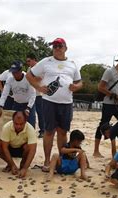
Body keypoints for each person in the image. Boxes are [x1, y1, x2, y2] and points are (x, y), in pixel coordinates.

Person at [26, 38, 83, 172]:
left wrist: (76, 86)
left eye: (59, 45)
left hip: (66, 103)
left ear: (65, 48)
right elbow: (29, 75)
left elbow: (80, 82)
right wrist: (39, 88)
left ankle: (62, 159)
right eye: (55, 46)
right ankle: (47, 160)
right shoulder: (46, 61)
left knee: (63, 132)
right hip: (49, 102)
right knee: (49, 131)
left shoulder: (72, 64)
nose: (57, 48)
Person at [93, 52, 118, 157]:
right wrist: (113, 95)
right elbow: (100, 87)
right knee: (103, 125)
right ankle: (96, 151)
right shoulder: (109, 71)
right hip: (108, 104)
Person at [0, 111, 37, 179]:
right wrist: (12, 164)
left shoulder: (30, 129)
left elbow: (33, 150)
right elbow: (5, 148)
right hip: (9, 149)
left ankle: (22, 165)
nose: (18, 126)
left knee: (28, 146)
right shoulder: (6, 127)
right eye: (16, 124)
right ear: (12, 121)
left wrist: (25, 168)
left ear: (25, 122)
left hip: (22, 149)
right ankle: (9, 164)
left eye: (21, 124)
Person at [0, 60, 36, 127]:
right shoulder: (10, 79)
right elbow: (4, 94)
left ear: (21, 71)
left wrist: (28, 108)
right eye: (13, 72)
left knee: (30, 125)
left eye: (16, 72)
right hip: (17, 104)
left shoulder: (28, 78)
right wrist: (0, 106)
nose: (14, 74)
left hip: (28, 105)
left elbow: (33, 94)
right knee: (16, 125)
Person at [26, 54, 44, 138]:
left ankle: (42, 130)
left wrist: (30, 79)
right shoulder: (30, 69)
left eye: (29, 61)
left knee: (40, 113)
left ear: (34, 60)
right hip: (31, 94)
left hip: (39, 94)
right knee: (31, 113)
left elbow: (39, 78)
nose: (28, 63)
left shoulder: (40, 67)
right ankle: (31, 130)